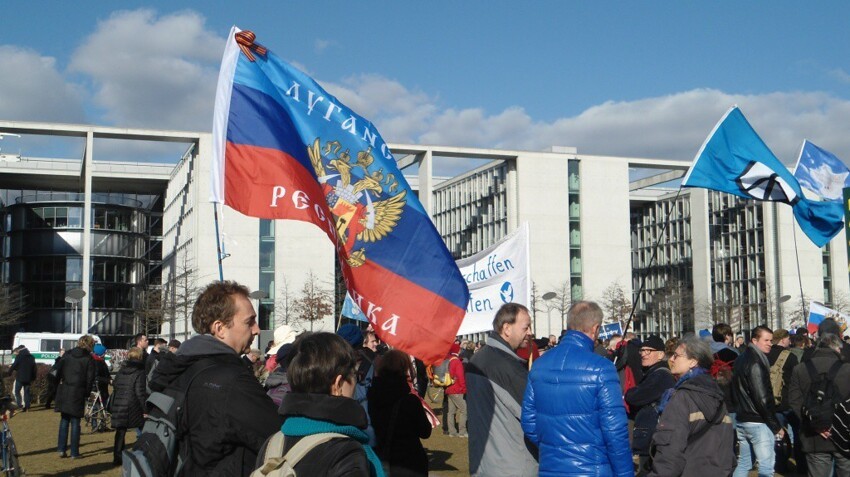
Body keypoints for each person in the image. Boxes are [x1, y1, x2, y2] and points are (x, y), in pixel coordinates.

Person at [148, 281, 282, 475]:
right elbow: (279, 437)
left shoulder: (181, 368)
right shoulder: (231, 381)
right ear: (219, 328)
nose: (256, 330)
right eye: (249, 322)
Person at [522, 301, 632, 476]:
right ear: (595, 328)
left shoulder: (540, 365)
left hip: (552, 467)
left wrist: (554, 445)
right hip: (592, 467)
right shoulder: (601, 368)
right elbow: (615, 432)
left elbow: (529, 422)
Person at [257, 332, 383, 476]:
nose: (356, 382)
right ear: (338, 384)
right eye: (354, 375)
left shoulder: (271, 445)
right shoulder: (346, 452)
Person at [647, 336, 735, 476]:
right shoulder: (717, 395)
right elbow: (727, 450)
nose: (671, 359)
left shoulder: (682, 397)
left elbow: (670, 452)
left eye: (676, 356)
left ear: (693, 362)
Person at [468, 303, 538, 476]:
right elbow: (536, 416)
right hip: (512, 465)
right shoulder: (507, 367)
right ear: (507, 328)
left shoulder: (479, 358)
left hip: (485, 461)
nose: (530, 332)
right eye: (526, 327)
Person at [788, 333, 850, 476]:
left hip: (813, 437)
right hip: (844, 435)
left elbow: (794, 400)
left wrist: (814, 424)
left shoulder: (800, 369)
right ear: (837, 348)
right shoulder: (847, 369)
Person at [368, 349, 431, 476]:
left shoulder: (372, 396)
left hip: (382, 457)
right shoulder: (410, 401)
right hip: (409, 462)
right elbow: (425, 432)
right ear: (404, 369)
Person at [731, 325, 784, 477]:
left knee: (744, 464)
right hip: (757, 421)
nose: (770, 343)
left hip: (743, 419)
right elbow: (762, 398)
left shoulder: (741, 359)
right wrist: (775, 426)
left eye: (771, 340)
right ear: (754, 340)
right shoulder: (755, 362)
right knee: (766, 467)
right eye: (766, 340)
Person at [624, 335, 675, 472]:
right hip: (650, 435)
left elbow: (636, 397)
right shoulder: (652, 372)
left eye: (648, 351)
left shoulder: (661, 375)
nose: (643, 354)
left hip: (654, 436)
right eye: (642, 350)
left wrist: (629, 393)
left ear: (660, 354)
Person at [55, 335, 96, 459]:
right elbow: (90, 379)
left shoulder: (67, 355)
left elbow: (57, 370)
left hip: (65, 389)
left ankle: (61, 449)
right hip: (78, 391)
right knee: (75, 422)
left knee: (64, 420)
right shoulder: (89, 359)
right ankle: (74, 452)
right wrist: (87, 393)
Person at [767, 328, 799, 473]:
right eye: (788, 339)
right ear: (783, 339)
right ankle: (800, 462)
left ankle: (779, 463)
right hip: (788, 401)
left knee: (777, 435)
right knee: (798, 433)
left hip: (771, 402)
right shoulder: (790, 357)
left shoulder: (765, 354)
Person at [110, 346, 147, 466]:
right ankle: (143, 453)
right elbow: (140, 392)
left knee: (120, 432)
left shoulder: (122, 370)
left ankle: (117, 457)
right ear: (140, 357)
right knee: (142, 428)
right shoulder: (140, 371)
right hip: (133, 404)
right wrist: (145, 408)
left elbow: (115, 385)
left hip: (120, 402)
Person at [444, 343, 467, 437]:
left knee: (451, 412)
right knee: (464, 410)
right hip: (457, 389)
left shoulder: (447, 360)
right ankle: (462, 432)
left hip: (449, 388)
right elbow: (461, 377)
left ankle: (452, 432)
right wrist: (464, 388)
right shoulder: (457, 362)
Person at [8, 345, 36, 411]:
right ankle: (27, 406)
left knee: (17, 391)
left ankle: (19, 405)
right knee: (27, 392)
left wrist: (9, 372)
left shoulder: (19, 356)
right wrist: (33, 377)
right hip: (28, 378)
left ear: (20, 350)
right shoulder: (32, 357)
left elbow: (14, 365)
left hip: (20, 377)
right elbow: (34, 368)